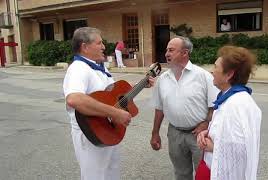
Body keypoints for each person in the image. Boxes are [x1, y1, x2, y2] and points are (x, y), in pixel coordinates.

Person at [63, 27, 154, 180]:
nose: (104, 47)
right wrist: (115, 113)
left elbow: (111, 96)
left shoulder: (98, 67)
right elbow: (74, 99)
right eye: (99, 43)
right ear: (85, 47)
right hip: (91, 134)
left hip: (108, 130)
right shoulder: (78, 69)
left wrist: (141, 85)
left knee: (111, 174)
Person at [150, 36, 219, 180]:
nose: (167, 54)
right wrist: (155, 133)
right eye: (166, 50)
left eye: (171, 50)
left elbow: (215, 105)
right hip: (175, 134)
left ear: (185, 53)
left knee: (204, 174)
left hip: (199, 135)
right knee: (181, 174)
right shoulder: (162, 80)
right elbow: (159, 108)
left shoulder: (203, 76)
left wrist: (206, 123)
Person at [196, 45, 262, 180]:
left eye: (216, 67)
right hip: (211, 167)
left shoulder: (237, 104)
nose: (212, 71)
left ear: (229, 74)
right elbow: (228, 133)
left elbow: (242, 149)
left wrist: (214, 147)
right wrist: (209, 132)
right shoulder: (229, 98)